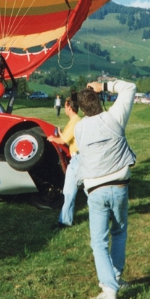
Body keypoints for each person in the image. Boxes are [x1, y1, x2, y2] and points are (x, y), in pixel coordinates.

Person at [75, 80, 136, 299]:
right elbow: (130, 88)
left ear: (82, 109)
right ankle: (116, 279)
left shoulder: (79, 128)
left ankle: (109, 289)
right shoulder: (114, 118)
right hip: (119, 185)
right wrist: (105, 85)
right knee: (119, 234)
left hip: (95, 189)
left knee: (99, 242)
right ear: (99, 101)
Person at [47, 96, 81, 227]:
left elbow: (64, 141)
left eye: (65, 106)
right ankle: (65, 221)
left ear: (69, 107)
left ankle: (65, 221)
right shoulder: (75, 121)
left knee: (71, 191)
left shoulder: (75, 121)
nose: (64, 108)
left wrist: (52, 138)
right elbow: (67, 137)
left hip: (78, 159)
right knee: (83, 190)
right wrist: (60, 133)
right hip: (79, 159)